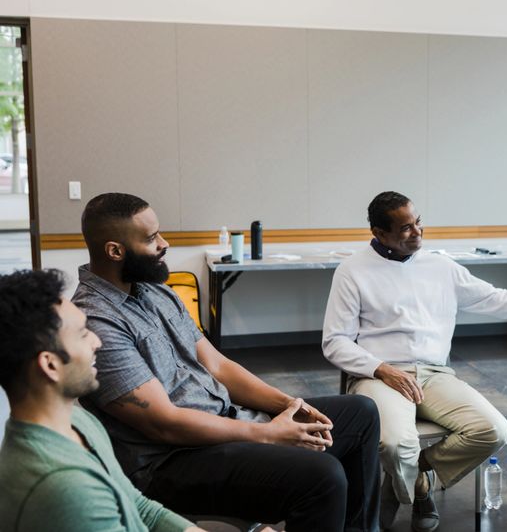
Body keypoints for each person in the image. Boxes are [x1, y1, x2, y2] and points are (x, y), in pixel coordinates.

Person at [72, 192, 380, 532]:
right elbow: (164, 423)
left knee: (361, 413)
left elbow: (218, 366)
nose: (164, 243)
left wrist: (290, 404)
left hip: (224, 421)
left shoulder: (155, 291)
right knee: (321, 476)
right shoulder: (96, 321)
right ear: (115, 251)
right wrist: (266, 433)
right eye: (150, 238)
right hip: (170, 460)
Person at [322, 191, 507, 532]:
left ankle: (418, 477)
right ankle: (417, 490)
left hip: (434, 374)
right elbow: (334, 342)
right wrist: (382, 369)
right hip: (380, 376)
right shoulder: (353, 271)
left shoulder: (440, 266)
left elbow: (498, 299)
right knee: (396, 444)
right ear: (380, 234)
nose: (417, 232)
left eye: (419, 222)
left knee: (494, 430)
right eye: (405, 228)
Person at [0, 269, 204, 532]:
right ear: (50, 365)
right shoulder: (64, 487)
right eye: (84, 333)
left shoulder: (79, 421)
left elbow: (139, 507)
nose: (97, 341)